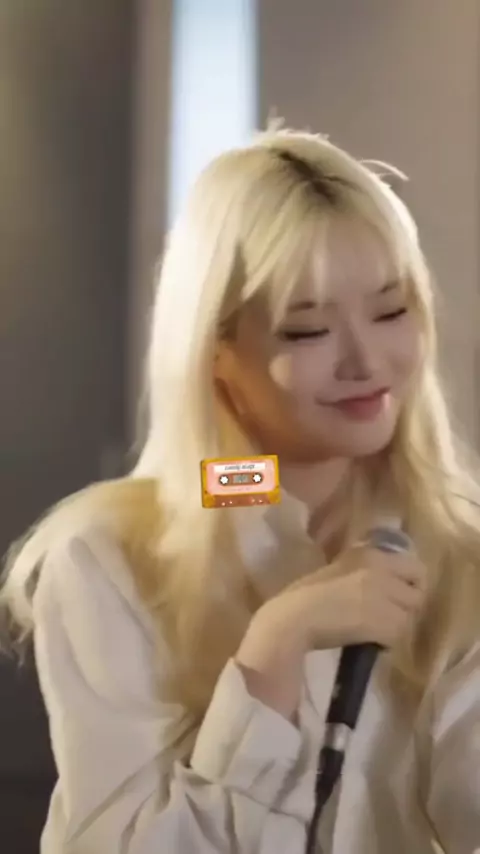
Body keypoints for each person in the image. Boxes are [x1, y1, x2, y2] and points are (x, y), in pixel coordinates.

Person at [1, 127, 480, 854]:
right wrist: (274, 651)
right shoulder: (106, 556)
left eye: (392, 312)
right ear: (217, 350)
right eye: (308, 330)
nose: (367, 361)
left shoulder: (457, 553)